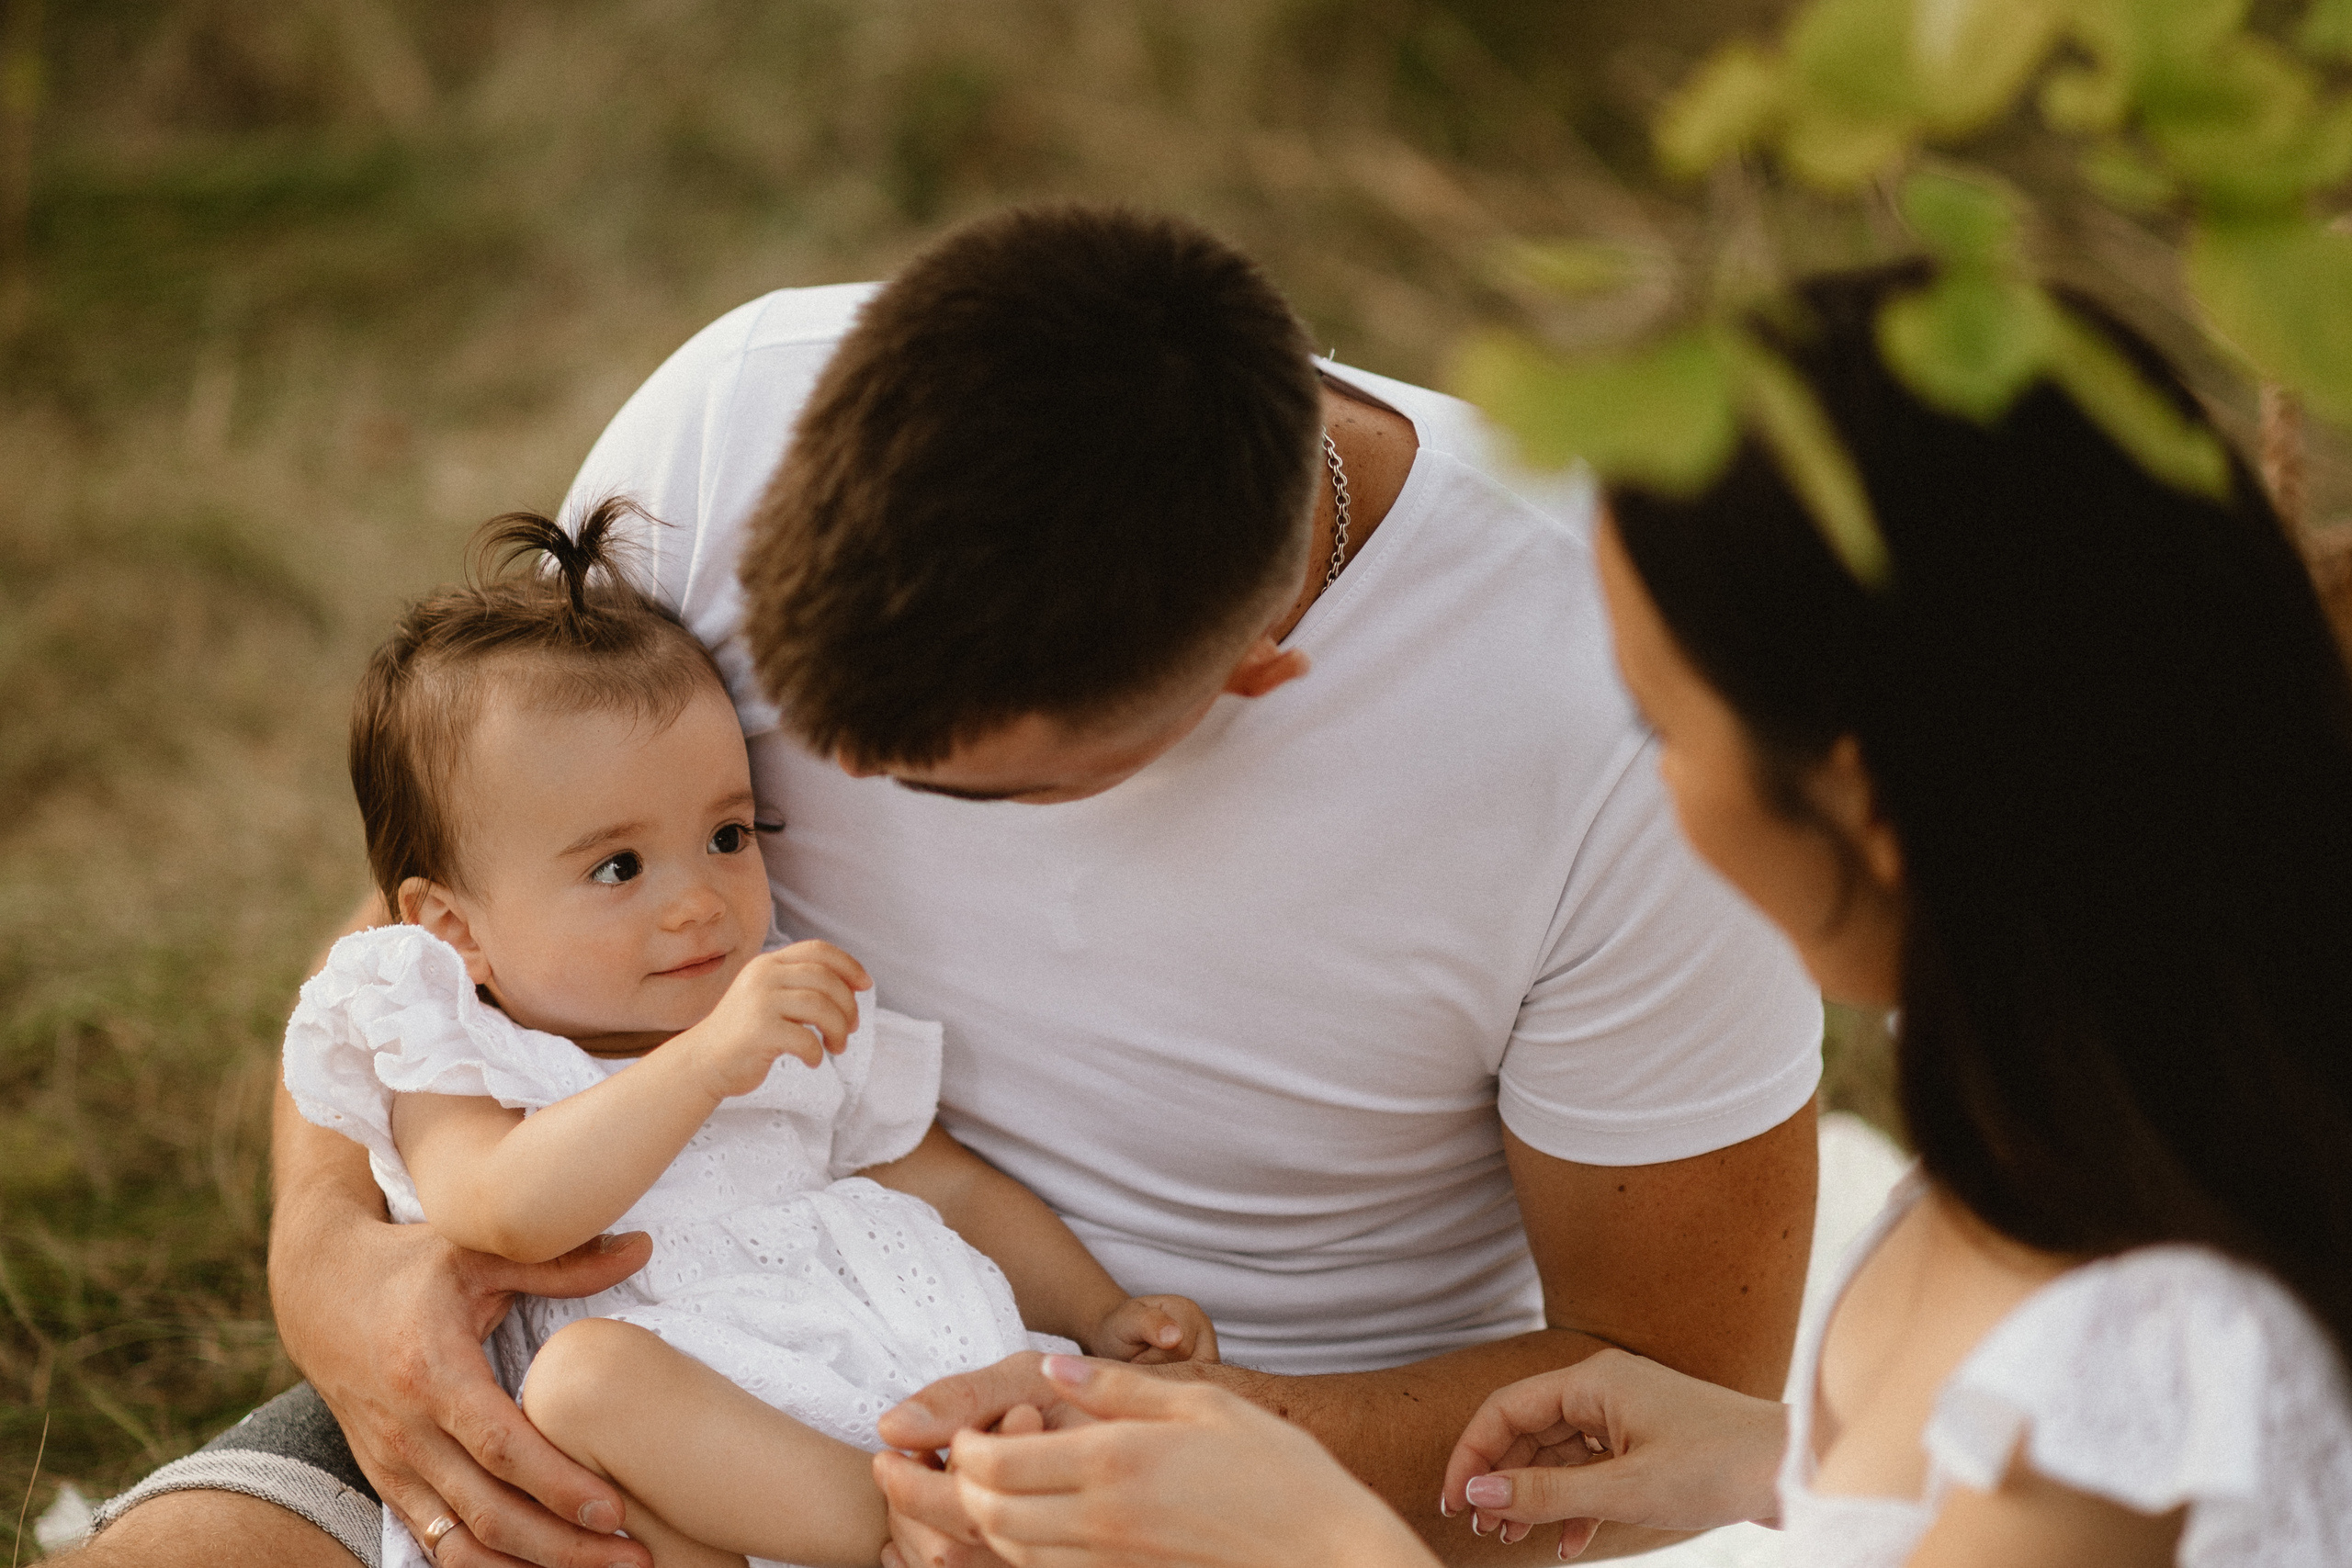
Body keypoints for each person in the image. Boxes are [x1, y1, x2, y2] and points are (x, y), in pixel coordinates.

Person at [75, 206, 1825, 1568]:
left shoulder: (1626, 703)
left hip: (1229, 1482)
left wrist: (1136, 1436)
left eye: (958, 788)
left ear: (1253, 679)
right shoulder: (725, 426)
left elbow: (1678, 1393)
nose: (767, 851)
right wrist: (329, 1254)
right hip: (636, 1339)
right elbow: (454, 910)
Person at [923, 269, 2352, 1566]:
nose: (1650, 788)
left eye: (1664, 728)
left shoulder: (2143, 1354)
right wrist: (1768, 1461)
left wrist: (1324, 1539)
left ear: (1862, 803)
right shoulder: (2091, 1121)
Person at [283, 502, 1216, 1568]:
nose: (698, 901)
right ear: (455, 929)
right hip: (646, 1451)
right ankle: (901, 1536)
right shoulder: (458, 1051)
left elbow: (947, 1185)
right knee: (584, 1380)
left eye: (728, 835)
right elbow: (504, 1211)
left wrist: (1101, 1314)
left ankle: (935, 1515)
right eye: (618, 867)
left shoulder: (777, 1007)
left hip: (859, 1377)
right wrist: (703, 1065)